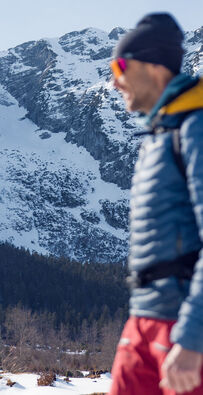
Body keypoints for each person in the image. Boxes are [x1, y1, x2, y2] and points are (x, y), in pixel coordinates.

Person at [108, 13, 203, 395]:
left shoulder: (194, 128)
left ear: (153, 66)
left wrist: (193, 337)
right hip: (142, 320)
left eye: (120, 65)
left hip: (182, 326)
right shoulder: (160, 135)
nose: (114, 81)